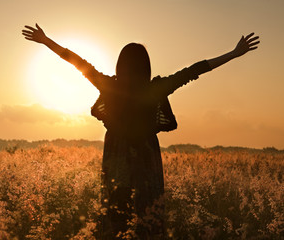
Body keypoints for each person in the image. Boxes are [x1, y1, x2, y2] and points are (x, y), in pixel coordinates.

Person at [22, 24, 259, 239]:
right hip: (146, 152)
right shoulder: (155, 89)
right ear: (145, 65)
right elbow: (194, 70)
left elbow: (76, 61)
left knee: (116, 212)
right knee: (149, 212)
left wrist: (46, 40)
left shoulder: (110, 85)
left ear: (120, 64)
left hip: (116, 152)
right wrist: (233, 54)